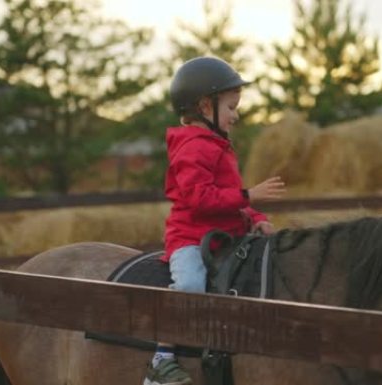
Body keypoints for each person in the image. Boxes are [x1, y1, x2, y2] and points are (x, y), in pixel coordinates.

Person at [143, 56, 286, 385]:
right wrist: (250, 197)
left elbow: (229, 197)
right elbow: (199, 199)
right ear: (206, 107)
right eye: (232, 107)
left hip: (223, 236)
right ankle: (161, 360)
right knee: (191, 285)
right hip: (191, 239)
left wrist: (256, 218)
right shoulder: (192, 148)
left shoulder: (216, 145)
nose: (236, 115)